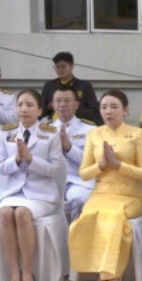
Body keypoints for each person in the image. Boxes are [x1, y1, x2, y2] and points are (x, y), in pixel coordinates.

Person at [68, 90, 142, 281]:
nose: (108, 111)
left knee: (113, 218)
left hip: (130, 195)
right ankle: (98, 271)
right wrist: (103, 165)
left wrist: (119, 165)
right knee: (87, 217)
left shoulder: (137, 134)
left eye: (114, 107)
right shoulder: (94, 134)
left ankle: (112, 274)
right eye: (104, 107)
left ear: (126, 110)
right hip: (101, 194)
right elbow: (84, 173)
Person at [0, 90, 64, 281]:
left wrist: (30, 159)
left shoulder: (50, 133)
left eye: (29, 105)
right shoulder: (5, 133)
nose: (23, 109)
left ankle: (27, 272)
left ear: (40, 110)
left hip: (41, 195)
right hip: (13, 192)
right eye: (20, 105)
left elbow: (54, 169)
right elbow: (0, 167)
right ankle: (14, 272)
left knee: (22, 213)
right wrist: (16, 160)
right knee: (6, 213)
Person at [47, 85, 96, 221]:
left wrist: (69, 147)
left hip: (77, 182)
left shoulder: (90, 130)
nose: (62, 104)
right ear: (52, 104)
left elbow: (92, 162)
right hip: (50, 182)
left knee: (79, 200)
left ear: (76, 104)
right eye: (58, 101)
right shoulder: (44, 129)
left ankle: (76, 239)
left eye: (67, 101)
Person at [41, 52, 101, 125]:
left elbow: (94, 112)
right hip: (54, 125)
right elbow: (39, 110)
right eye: (57, 67)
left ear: (72, 66)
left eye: (63, 66)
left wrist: (70, 109)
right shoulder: (49, 85)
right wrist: (49, 106)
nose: (60, 70)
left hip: (78, 126)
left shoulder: (84, 86)